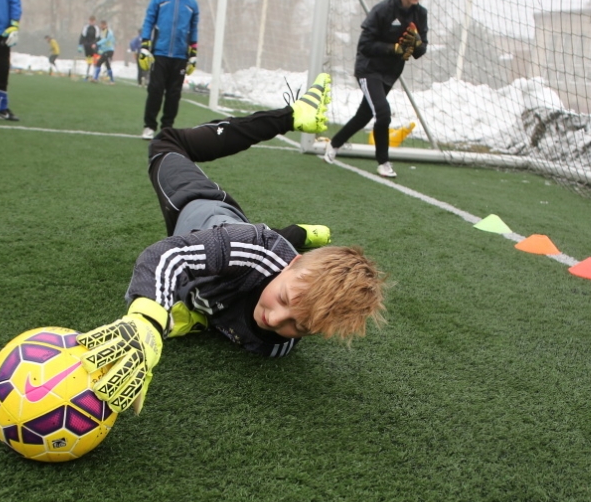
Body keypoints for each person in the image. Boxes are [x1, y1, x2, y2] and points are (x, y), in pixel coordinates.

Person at [74, 73, 387, 416]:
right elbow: (165, 256)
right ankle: (292, 115)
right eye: (283, 299)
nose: (274, 318)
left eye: (298, 326)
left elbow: (230, 311)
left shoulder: (276, 347)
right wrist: (145, 320)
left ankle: (297, 234)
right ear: (293, 264)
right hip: (200, 206)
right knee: (166, 143)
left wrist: (193, 317)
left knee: (256, 261)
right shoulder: (251, 247)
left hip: (256, 250)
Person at [323, 0, 428, 179]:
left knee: (364, 115)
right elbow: (365, 45)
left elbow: (420, 50)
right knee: (383, 113)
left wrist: (416, 43)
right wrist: (394, 48)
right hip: (368, 69)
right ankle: (383, 162)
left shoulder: (420, 14)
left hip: (390, 73)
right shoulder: (383, 10)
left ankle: (334, 144)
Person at [138, 0, 200, 139]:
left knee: (174, 94)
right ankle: (149, 126)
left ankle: (167, 128)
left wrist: (193, 54)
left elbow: (194, 28)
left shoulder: (192, 5)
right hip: (160, 53)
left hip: (180, 56)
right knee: (155, 90)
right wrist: (145, 45)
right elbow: (149, 21)